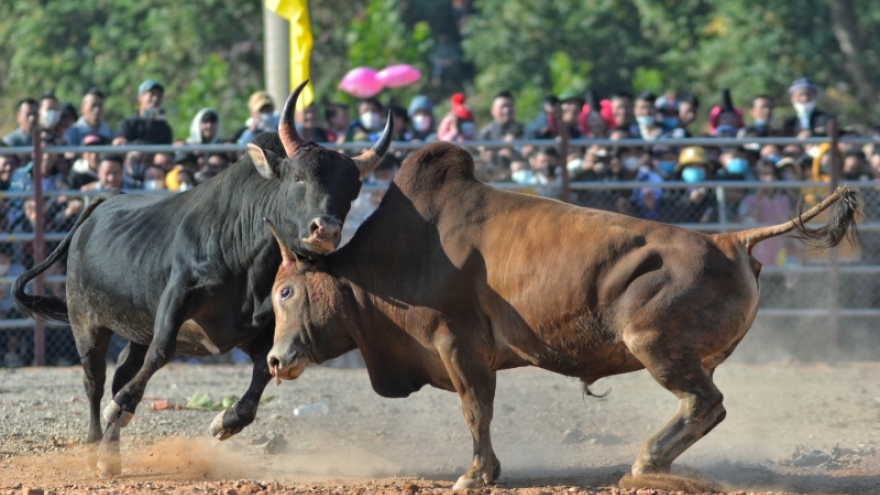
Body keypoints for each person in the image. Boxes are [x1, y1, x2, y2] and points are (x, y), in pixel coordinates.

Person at [116, 80, 173, 145]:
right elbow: (119, 144)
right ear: (140, 98)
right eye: (152, 94)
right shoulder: (127, 124)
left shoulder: (164, 128)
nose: (156, 98)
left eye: (159, 95)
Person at [478, 91, 524, 170]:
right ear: (493, 110)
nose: (507, 110)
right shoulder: (486, 132)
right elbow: (479, 155)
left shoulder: (524, 129)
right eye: (503, 107)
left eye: (510, 106)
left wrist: (514, 156)